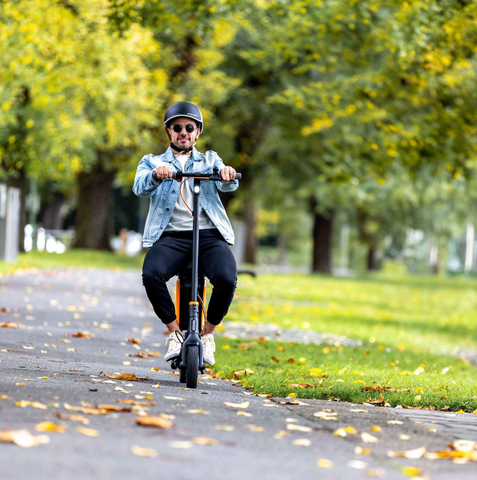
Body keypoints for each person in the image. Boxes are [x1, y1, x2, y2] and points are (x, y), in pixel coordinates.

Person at [132, 101, 238, 366]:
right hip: (171, 237)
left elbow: (230, 183)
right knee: (151, 274)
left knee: (227, 278)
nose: (183, 132)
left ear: (197, 132)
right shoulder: (152, 161)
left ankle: (209, 335)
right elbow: (139, 187)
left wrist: (227, 174)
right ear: (168, 132)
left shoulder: (211, 159)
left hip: (209, 236)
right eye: (177, 127)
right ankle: (175, 334)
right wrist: (157, 175)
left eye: (189, 127)